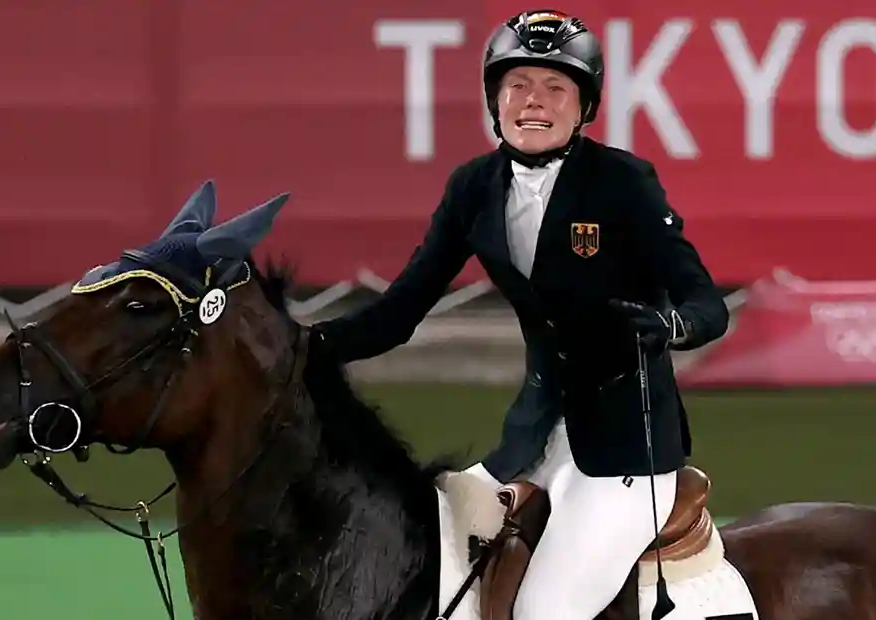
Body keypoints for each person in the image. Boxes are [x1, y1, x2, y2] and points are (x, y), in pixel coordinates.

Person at [309, 9, 729, 619]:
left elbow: (707, 305)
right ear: (494, 99)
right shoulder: (473, 187)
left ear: (584, 106)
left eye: (555, 87)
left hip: (625, 455)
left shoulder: (623, 182)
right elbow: (398, 313)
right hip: (530, 439)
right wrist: (302, 345)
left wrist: (670, 327)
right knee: (425, 569)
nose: (534, 101)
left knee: (543, 614)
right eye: (518, 86)